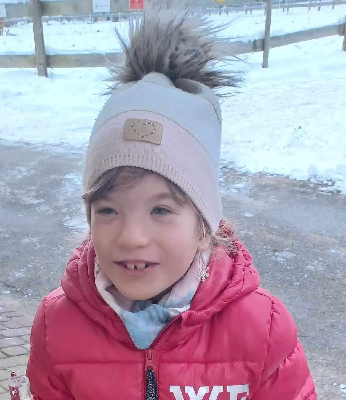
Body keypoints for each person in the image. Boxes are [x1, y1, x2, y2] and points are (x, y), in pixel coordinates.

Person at [26, 4, 316, 400]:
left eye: (160, 209)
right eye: (108, 210)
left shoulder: (262, 329)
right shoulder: (56, 328)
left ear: (204, 227)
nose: (131, 237)